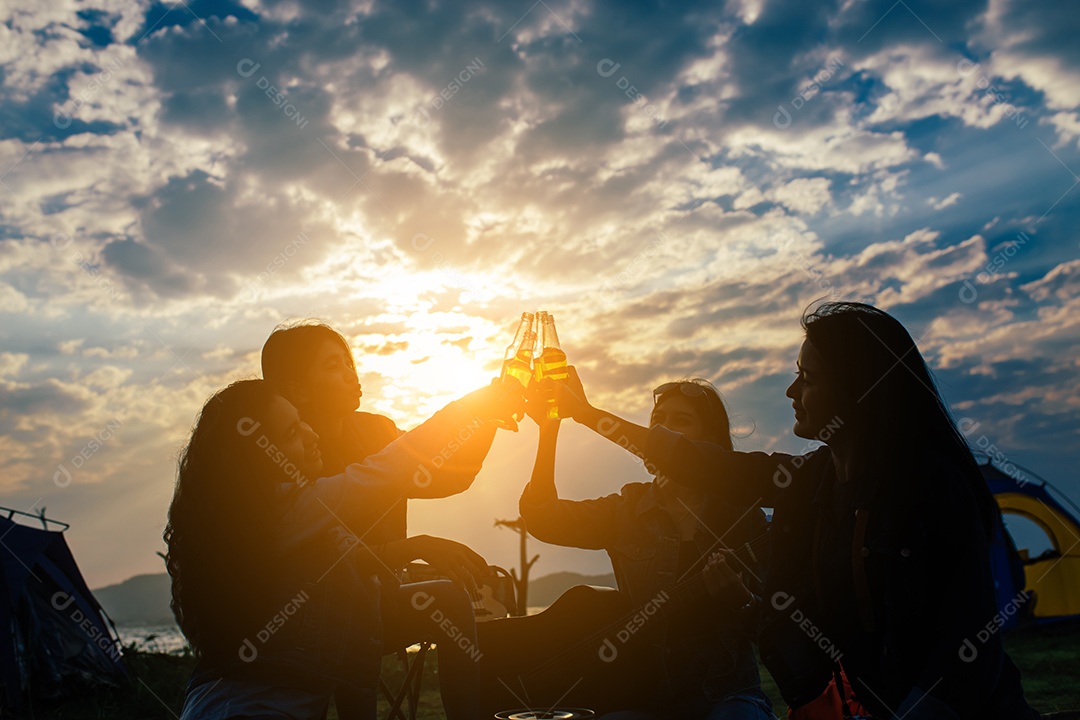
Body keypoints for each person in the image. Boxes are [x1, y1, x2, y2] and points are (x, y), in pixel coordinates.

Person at [548, 302, 1039, 720]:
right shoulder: (812, 481)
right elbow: (703, 463)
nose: (790, 392)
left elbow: (960, 657)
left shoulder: (931, 487)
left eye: (807, 378)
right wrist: (585, 413)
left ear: (858, 389)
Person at [166, 377, 522, 720]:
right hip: (247, 709)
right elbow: (388, 469)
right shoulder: (279, 511)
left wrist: (419, 545)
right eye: (291, 433)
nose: (310, 434)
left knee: (425, 594)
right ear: (255, 460)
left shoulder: (281, 514)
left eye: (302, 422)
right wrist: (477, 406)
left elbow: (351, 563)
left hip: (241, 699)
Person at [261, 321, 502, 719]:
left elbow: (452, 475)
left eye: (348, 362)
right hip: (311, 617)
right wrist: (416, 547)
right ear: (297, 388)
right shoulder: (285, 453)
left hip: (381, 600)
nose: (350, 374)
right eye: (333, 366)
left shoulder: (376, 430)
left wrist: (489, 419)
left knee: (454, 591)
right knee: (427, 599)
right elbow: (323, 558)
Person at [518, 377, 774, 719]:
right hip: (645, 700)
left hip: (728, 696)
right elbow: (542, 518)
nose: (664, 432)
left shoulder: (745, 517)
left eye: (681, 421)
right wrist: (548, 430)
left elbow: (770, 628)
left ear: (711, 442)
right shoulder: (627, 509)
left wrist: (739, 599)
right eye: (658, 421)